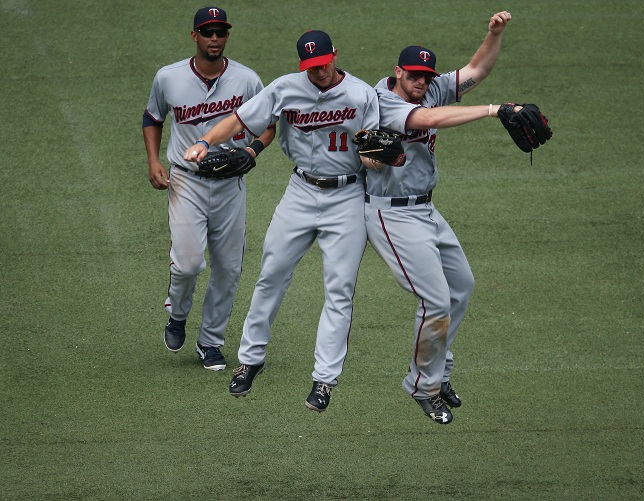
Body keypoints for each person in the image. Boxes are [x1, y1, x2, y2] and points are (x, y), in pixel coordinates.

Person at [183, 30, 380, 411]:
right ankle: (249, 361)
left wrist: (377, 157)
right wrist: (206, 141)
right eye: (310, 67)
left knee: (339, 290)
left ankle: (324, 380)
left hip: (348, 195)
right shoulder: (285, 88)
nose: (318, 72)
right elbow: (239, 120)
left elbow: (372, 153)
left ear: (335, 55)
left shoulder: (361, 95)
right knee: (271, 274)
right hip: (301, 190)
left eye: (323, 64)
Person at [363, 11, 513, 423]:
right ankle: (421, 385)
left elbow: (477, 69)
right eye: (414, 76)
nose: (423, 83)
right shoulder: (382, 101)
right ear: (398, 72)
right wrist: (492, 110)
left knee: (461, 286)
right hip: (390, 216)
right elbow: (426, 120)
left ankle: (438, 370)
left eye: (427, 77)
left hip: (426, 209)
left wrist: (493, 34)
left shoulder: (429, 90)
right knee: (435, 301)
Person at [143, 6, 275, 371]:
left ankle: (210, 342)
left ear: (227, 36)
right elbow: (152, 118)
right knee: (187, 265)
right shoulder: (168, 78)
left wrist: (253, 149)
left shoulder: (247, 80)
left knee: (228, 269)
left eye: (220, 32)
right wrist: (154, 161)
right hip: (187, 181)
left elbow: (268, 125)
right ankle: (178, 314)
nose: (214, 38)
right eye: (207, 32)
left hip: (231, 185)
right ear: (195, 36)